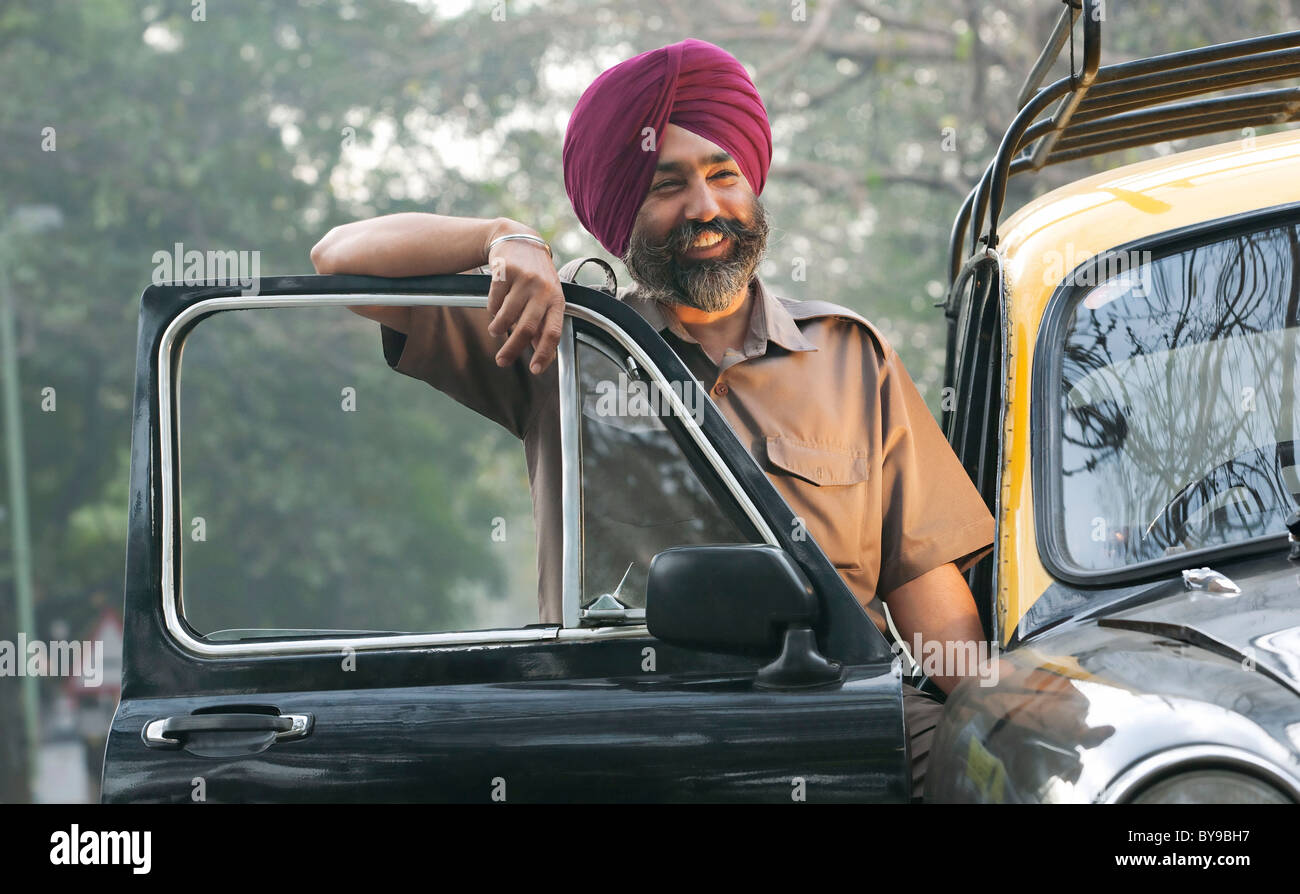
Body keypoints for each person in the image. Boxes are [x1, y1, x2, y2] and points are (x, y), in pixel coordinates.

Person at [310, 38, 995, 802]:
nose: (705, 209)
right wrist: (502, 237)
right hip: (637, 730)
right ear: (622, 209)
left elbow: (922, 581)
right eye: (667, 186)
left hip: (841, 714)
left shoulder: (850, 355)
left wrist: (993, 722)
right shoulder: (558, 336)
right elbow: (338, 259)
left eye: (722, 174)